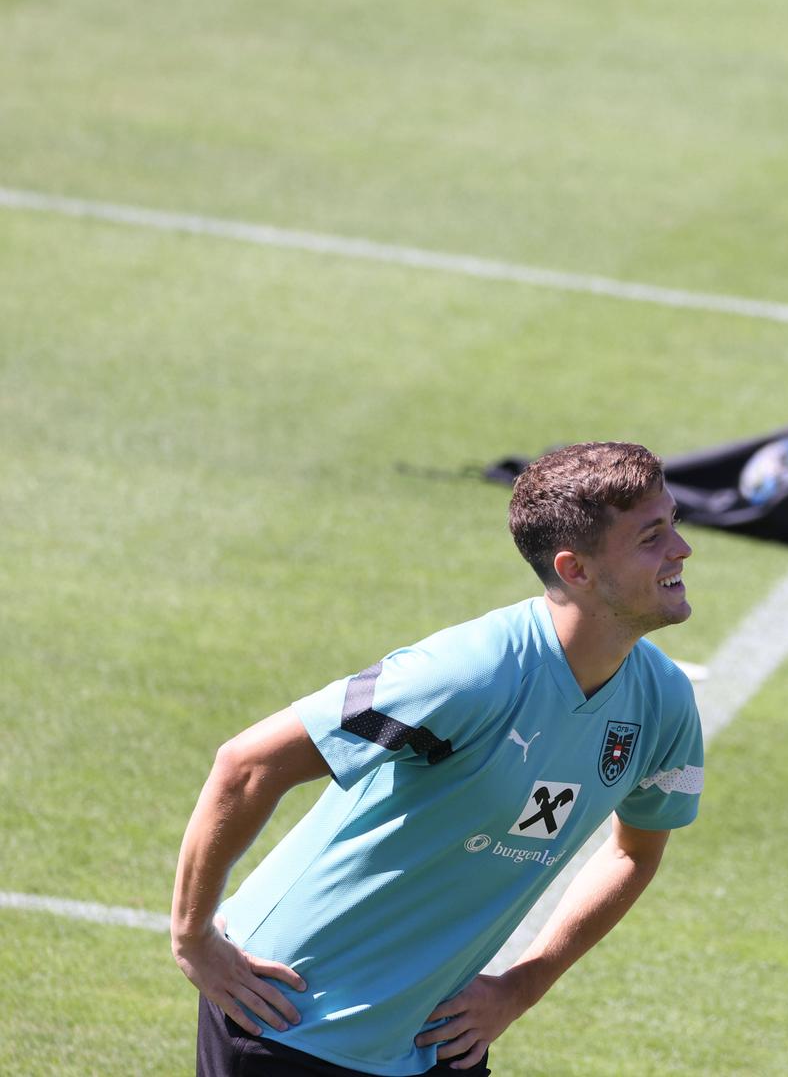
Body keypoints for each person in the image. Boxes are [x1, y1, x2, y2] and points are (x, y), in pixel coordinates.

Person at [171, 441, 705, 1076]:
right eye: (651, 537)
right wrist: (194, 936)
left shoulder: (664, 701)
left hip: (437, 1037)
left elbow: (633, 852)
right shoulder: (464, 676)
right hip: (291, 1014)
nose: (681, 549)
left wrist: (521, 986)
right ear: (576, 570)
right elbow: (247, 764)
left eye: (672, 523)